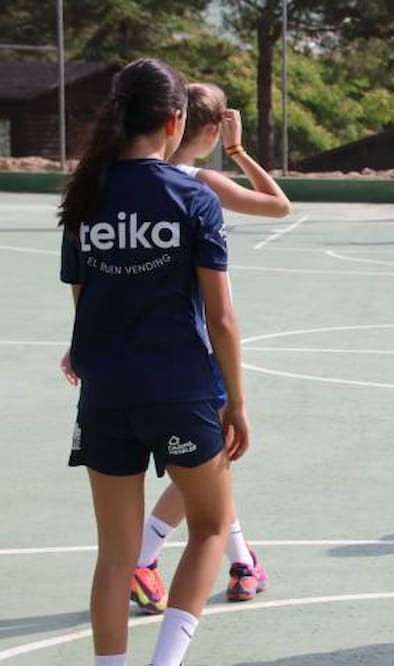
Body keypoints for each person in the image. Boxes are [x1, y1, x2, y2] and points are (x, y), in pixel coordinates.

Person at [57, 58, 250, 666]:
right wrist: (237, 402)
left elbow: (83, 299)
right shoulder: (191, 195)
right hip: (178, 389)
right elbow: (220, 318)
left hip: (106, 393)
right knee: (212, 527)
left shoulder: (86, 192)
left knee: (115, 556)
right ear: (175, 121)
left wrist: (82, 349)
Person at [120, 82, 287, 617]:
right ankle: (145, 558)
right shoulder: (202, 182)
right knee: (210, 463)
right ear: (213, 130)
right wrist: (240, 153)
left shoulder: (143, 181)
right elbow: (279, 206)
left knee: (214, 466)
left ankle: (242, 563)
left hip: (150, 343)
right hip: (201, 344)